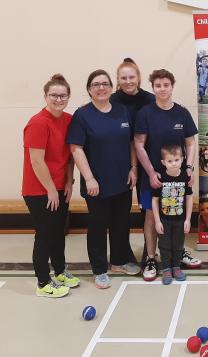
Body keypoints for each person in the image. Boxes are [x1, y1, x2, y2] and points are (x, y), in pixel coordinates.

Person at [68, 69, 137, 289]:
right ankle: (99, 269)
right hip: (96, 183)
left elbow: (131, 143)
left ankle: (118, 261)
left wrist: (133, 168)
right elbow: (76, 149)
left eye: (105, 84)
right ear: (89, 89)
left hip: (122, 180)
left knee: (121, 223)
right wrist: (89, 178)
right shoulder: (82, 115)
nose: (101, 87)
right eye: (96, 84)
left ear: (111, 87)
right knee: (98, 226)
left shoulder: (122, 110)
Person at [135, 69, 200, 281]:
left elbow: (191, 143)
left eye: (166, 85)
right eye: (158, 85)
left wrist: (189, 168)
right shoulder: (145, 113)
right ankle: (152, 258)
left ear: (172, 86)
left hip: (178, 179)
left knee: (178, 216)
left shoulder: (181, 112)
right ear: (153, 88)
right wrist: (151, 172)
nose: (162, 89)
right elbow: (139, 144)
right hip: (153, 177)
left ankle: (178, 254)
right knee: (153, 216)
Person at [22, 74, 79, 298]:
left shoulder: (68, 120)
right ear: (45, 96)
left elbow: (68, 156)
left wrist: (68, 181)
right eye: (53, 95)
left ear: (68, 97)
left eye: (62, 95)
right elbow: (37, 161)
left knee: (58, 233)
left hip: (58, 187)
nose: (58, 99)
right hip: (39, 191)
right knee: (45, 234)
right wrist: (51, 190)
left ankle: (61, 271)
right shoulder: (37, 123)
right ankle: (44, 283)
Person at [110, 57, 154, 273]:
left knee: (149, 209)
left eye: (131, 77)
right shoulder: (111, 100)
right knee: (121, 212)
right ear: (118, 80)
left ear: (138, 78)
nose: (128, 81)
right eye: (123, 78)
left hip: (146, 162)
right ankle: (122, 254)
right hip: (121, 164)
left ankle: (150, 253)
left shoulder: (150, 99)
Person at [152, 145, 193, 285]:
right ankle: (166, 269)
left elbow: (189, 197)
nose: (174, 163)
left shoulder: (185, 177)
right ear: (163, 162)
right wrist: (157, 221)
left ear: (182, 159)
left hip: (180, 220)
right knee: (164, 246)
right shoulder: (160, 178)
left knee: (178, 245)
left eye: (176, 159)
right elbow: (155, 200)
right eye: (170, 161)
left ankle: (176, 267)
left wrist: (188, 219)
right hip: (164, 220)